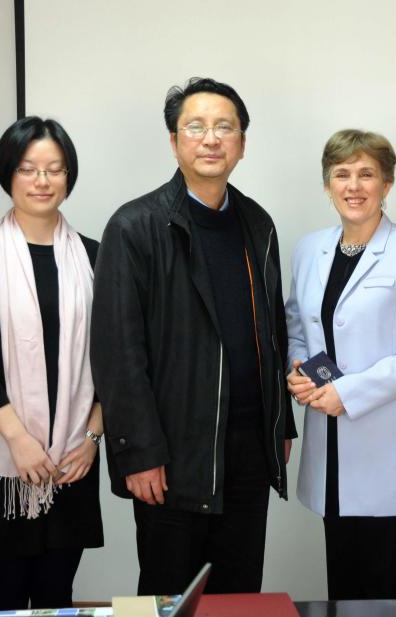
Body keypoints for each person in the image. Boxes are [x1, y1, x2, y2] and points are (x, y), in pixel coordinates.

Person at [91, 77, 296, 595]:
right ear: (174, 141)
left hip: (249, 449)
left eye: (224, 127)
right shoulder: (135, 226)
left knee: (238, 594)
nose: (211, 139)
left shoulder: (258, 223)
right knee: (170, 596)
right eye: (196, 127)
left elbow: (272, 334)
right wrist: (139, 450)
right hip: (173, 451)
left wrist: (281, 423)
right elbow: (118, 352)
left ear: (242, 144)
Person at [0, 117, 103, 610]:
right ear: (8, 174)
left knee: (58, 595)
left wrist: (92, 438)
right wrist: (19, 439)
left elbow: (113, 358)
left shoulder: (95, 257)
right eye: (28, 168)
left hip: (72, 458)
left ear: (69, 176)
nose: (42, 180)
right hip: (1, 456)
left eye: (55, 169)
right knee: (4, 598)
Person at [285, 129, 396, 600]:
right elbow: (297, 326)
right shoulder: (309, 248)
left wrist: (347, 393)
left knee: (385, 591)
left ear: (386, 184)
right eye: (342, 174)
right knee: (342, 587)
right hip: (329, 447)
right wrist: (298, 370)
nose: (353, 186)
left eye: (366, 174)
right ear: (327, 184)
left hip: (388, 450)